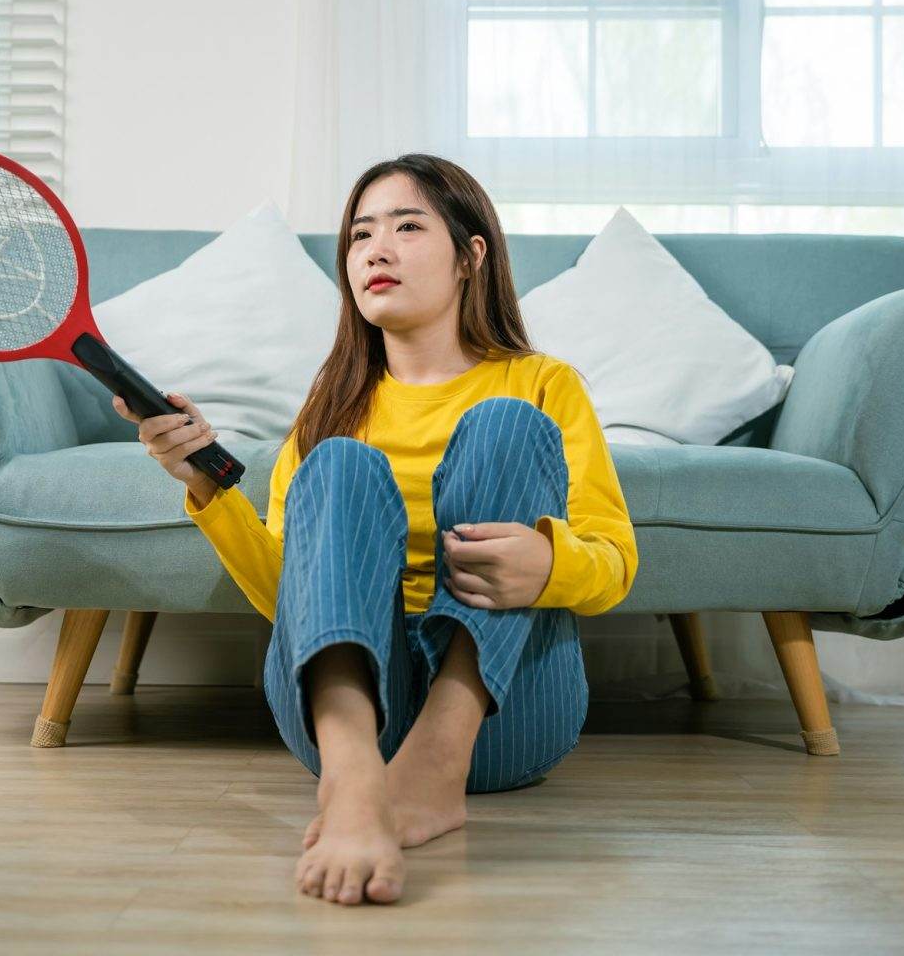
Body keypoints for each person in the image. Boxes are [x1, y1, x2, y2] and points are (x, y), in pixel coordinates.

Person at [111, 153, 638, 906]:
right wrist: (205, 484)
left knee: (506, 426)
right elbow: (287, 594)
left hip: (505, 719)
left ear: (470, 255)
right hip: (346, 716)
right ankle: (355, 777)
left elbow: (616, 560)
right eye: (359, 236)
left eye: (407, 227)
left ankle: (436, 764)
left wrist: (549, 565)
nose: (375, 250)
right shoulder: (332, 405)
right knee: (341, 466)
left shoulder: (543, 382)